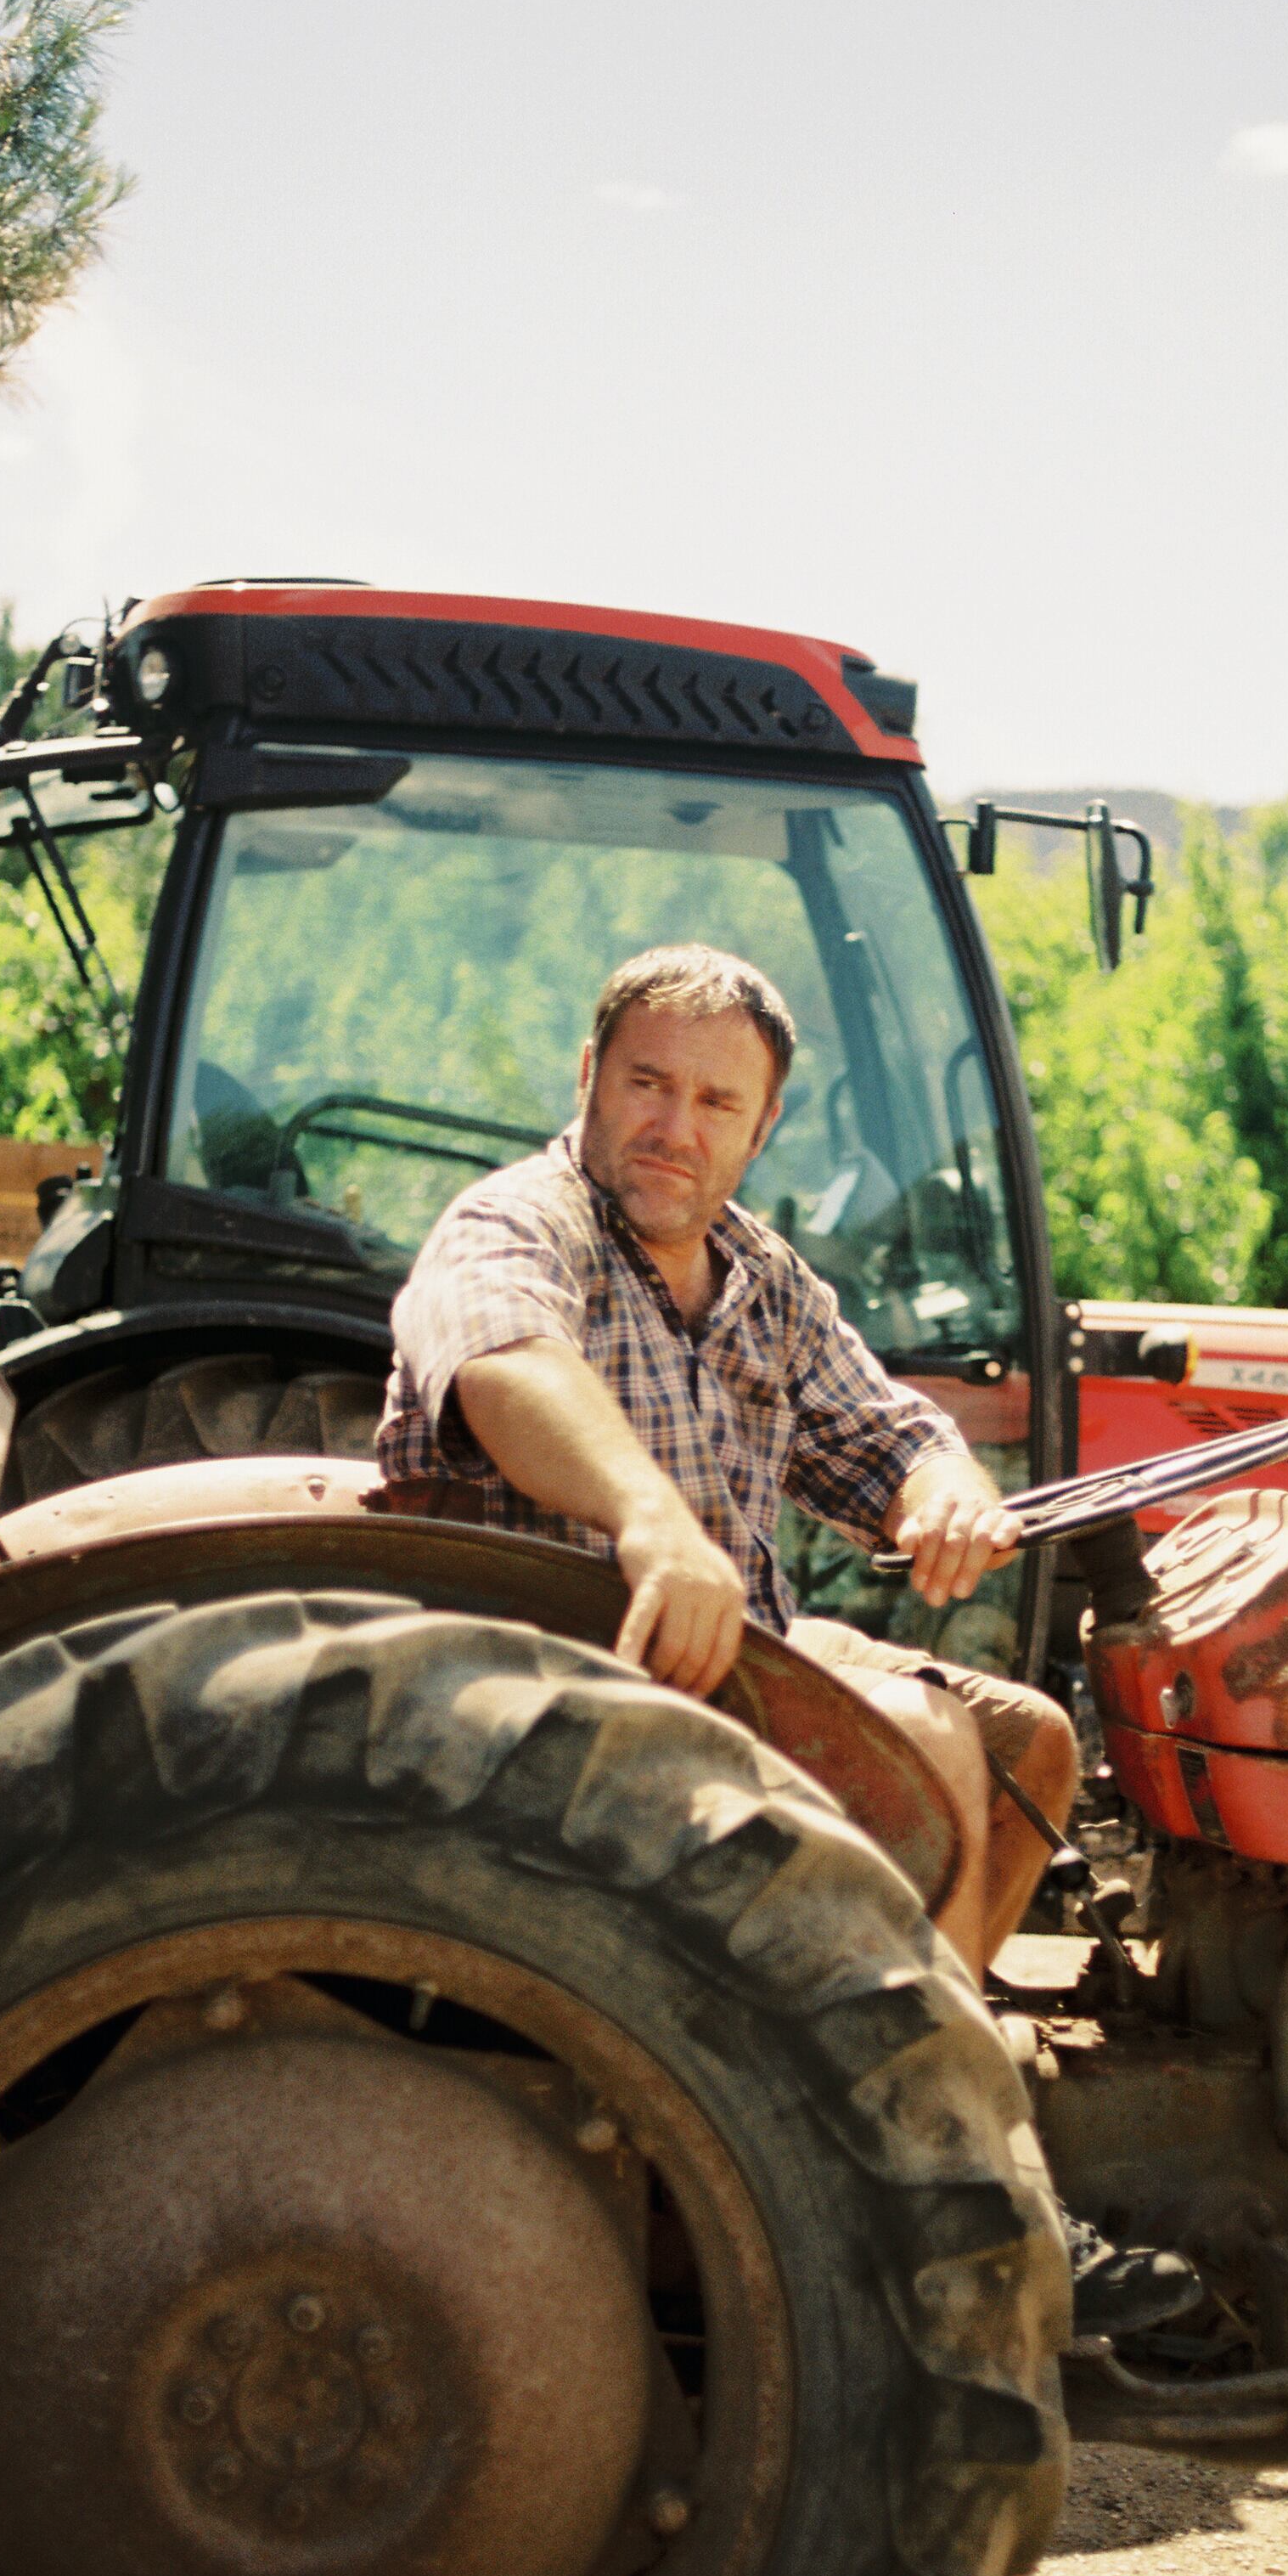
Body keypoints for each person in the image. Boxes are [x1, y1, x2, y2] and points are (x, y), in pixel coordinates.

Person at [377, 944, 1196, 2333]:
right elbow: (506, 1362)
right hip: (548, 1692)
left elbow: (889, 1437)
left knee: (1025, 1742)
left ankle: (893, 2125)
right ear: (589, 1078)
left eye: (714, 1102)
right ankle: (886, 2194)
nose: (672, 1126)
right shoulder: (518, 1226)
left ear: (763, 1131)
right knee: (924, 1741)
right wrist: (646, 1513)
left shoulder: (761, 1278)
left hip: (725, 1670)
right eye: (646, 1083)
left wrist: (944, 1489)